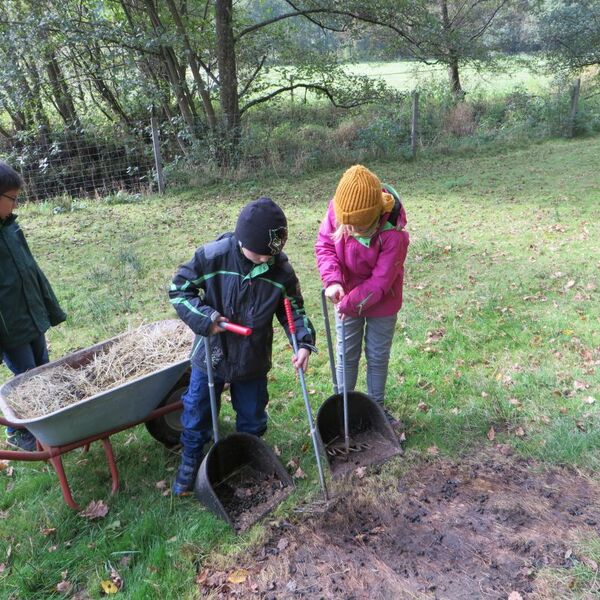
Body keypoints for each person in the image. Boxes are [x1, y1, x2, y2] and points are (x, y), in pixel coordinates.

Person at [168, 196, 316, 495]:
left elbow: (294, 312)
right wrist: (206, 317)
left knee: (252, 414)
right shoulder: (212, 257)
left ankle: (250, 458)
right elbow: (179, 290)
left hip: (252, 356)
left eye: (271, 255)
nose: (266, 260)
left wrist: (302, 342)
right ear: (242, 240)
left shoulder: (280, 271)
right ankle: (192, 461)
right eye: (260, 254)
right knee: (197, 410)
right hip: (212, 351)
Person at [315, 164, 409, 426]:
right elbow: (324, 245)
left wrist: (347, 304)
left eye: (359, 228)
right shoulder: (339, 209)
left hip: (382, 302)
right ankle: (344, 409)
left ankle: (375, 410)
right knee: (347, 353)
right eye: (348, 227)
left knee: (377, 356)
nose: (352, 232)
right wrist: (332, 281)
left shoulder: (393, 234)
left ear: (374, 216)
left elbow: (380, 283)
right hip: (344, 296)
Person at [0, 161, 67, 451]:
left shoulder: (11, 229)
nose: (15, 206)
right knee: (26, 377)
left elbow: (31, 270)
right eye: (12, 199)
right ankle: (21, 431)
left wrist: (45, 306)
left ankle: (49, 421)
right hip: (9, 325)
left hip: (30, 313)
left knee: (43, 367)